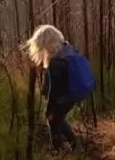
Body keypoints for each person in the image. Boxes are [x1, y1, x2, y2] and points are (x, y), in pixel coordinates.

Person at [25, 24, 90, 152]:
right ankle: (76, 146)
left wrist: (48, 111)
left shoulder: (55, 62)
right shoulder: (68, 51)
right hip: (73, 94)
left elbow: (53, 91)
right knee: (59, 119)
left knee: (53, 121)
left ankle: (58, 151)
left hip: (64, 97)